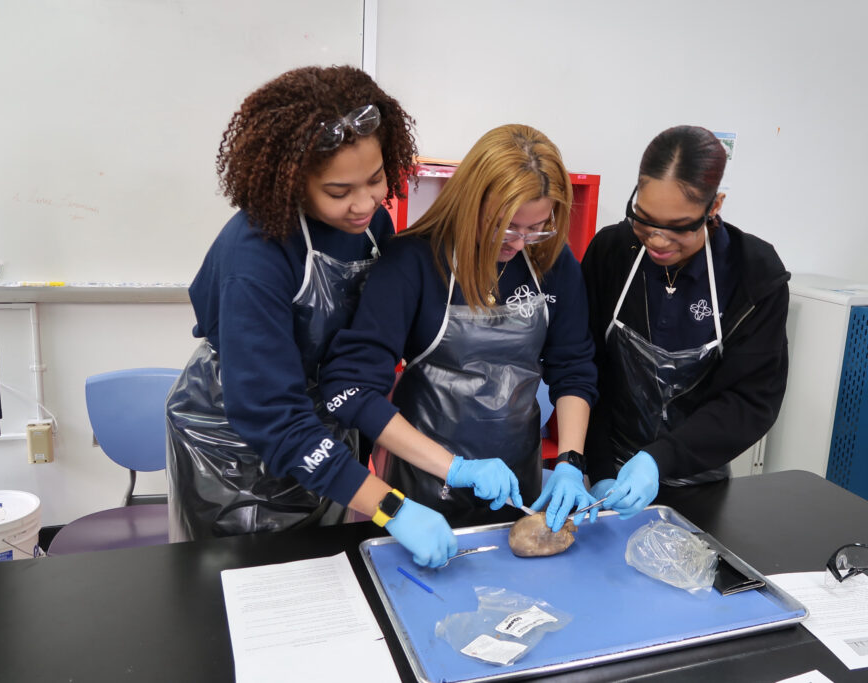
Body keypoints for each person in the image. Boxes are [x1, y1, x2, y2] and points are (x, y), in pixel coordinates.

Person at [166, 66, 513, 568]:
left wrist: (450, 467)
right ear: (289, 179)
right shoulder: (254, 256)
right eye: (338, 191)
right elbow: (273, 417)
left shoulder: (374, 226)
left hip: (321, 428)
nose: (365, 203)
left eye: (376, 180)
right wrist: (394, 509)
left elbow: (361, 358)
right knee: (245, 588)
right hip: (236, 452)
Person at [321, 124, 599, 532]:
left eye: (537, 227)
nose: (520, 243)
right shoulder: (413, 262)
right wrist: (457, 469)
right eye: (507, 227)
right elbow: (353, 391)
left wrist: (571, 462)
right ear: (473, 202)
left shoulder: (552, 262)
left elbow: (573, 366)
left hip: (515, 482)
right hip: (422, 482)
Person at [582, 125, 790, 517]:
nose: (658, 240)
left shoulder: (753, 274)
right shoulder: (612, 252)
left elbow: (750, 399)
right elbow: (587, 366)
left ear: (715, 207)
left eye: (679, 227)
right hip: (608, 476)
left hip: (699, 480)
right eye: (644, 219)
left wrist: (658, 460)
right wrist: (599, 467)